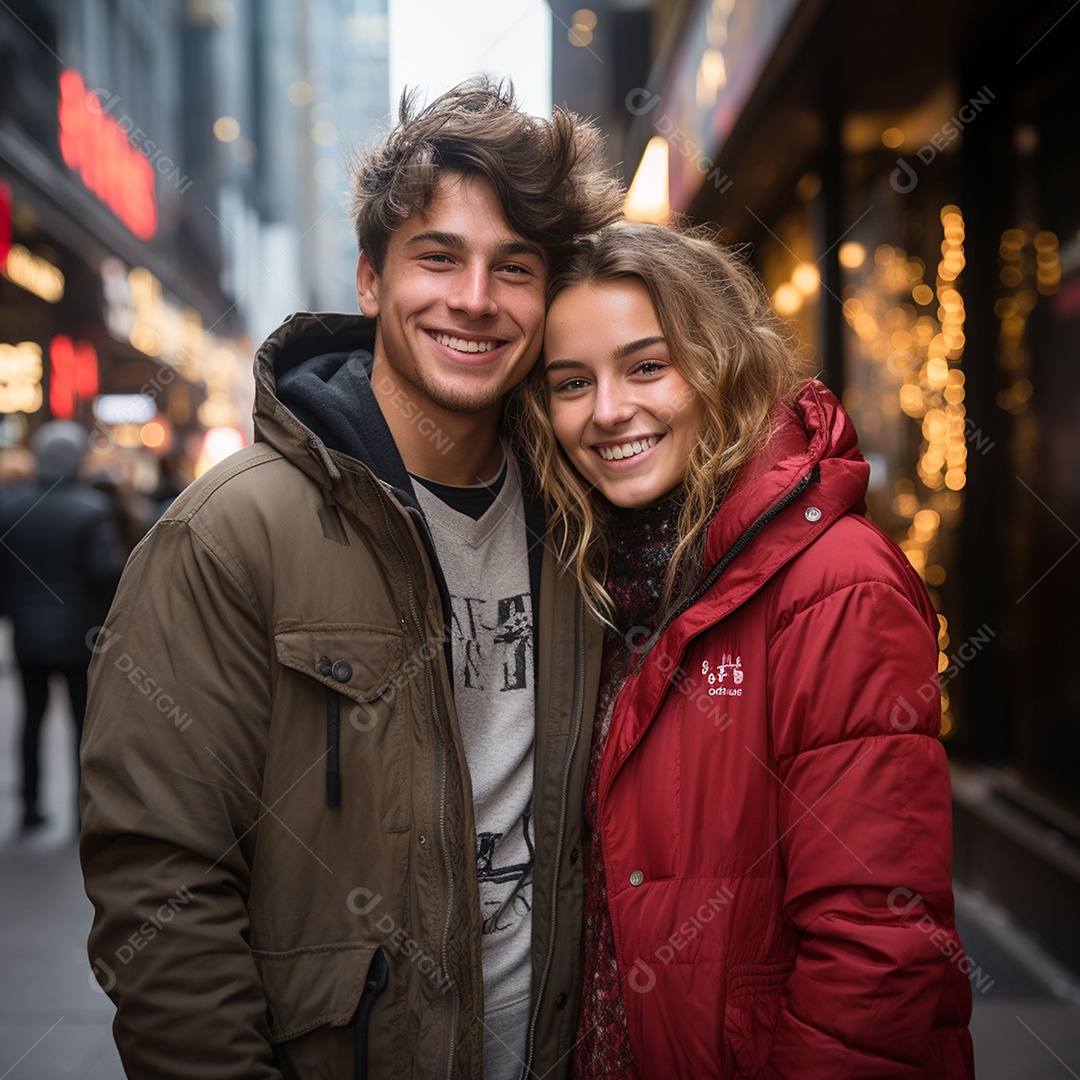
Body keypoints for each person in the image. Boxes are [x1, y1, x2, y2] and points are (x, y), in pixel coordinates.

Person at [79, 80, 621, 1079]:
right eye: (438, 257)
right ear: (371, 281)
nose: (475, 298)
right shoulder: (229, 534)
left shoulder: (583, 519)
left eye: (514, 267)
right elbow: (161, 883)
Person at [514, 221, 976, 1079]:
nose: (607, 411)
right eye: (572, 382)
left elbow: (878, 946)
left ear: (721, 364)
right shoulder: (596, 581)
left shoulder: (835, 583)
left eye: (647, 367)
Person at [0, 422, 125, 832]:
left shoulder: (13, 508)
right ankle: (80, 810)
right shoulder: (91, 508)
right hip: (78, 636)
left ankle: (29, 805)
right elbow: (104, 571)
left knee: (31, 719)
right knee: (81, 724)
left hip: (28, 636)